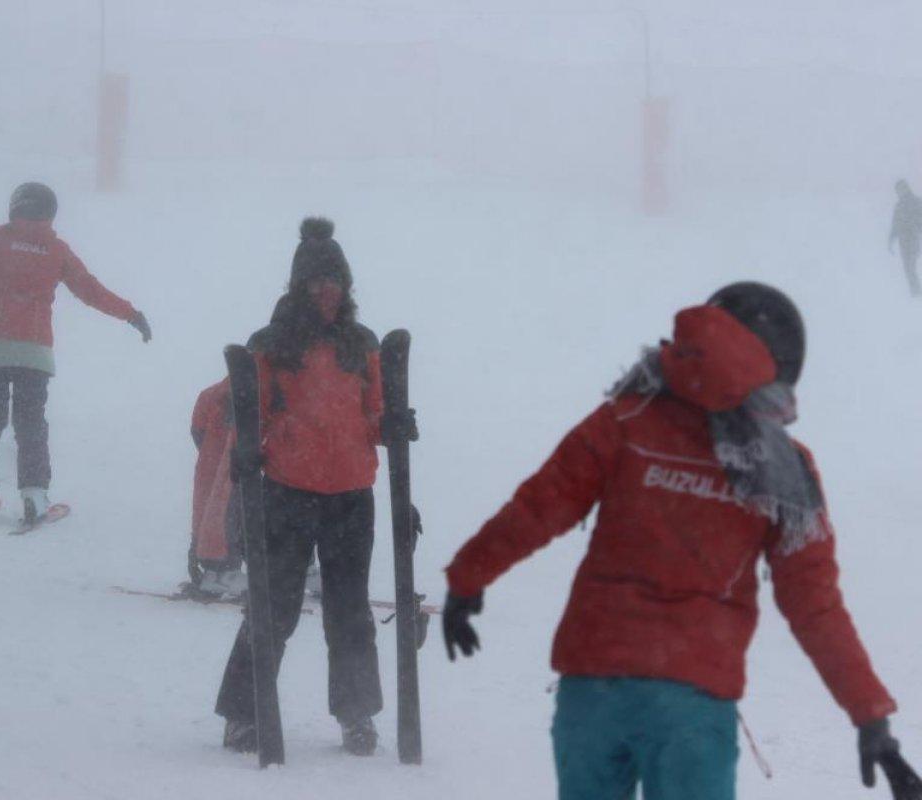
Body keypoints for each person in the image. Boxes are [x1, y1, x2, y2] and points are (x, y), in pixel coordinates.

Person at [443, 283, 922, 800]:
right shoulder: (783, 466)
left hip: (594, 687)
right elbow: (815, 606)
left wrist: (468, 578)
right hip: (693, 702)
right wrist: (870, 717)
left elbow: (536, 510)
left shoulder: (625, 419)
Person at [215, 217, 413, 757]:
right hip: (287, 491)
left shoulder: (361, 343)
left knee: (350, 612)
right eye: (316, 282)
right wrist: (248, 454)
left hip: (351, 495)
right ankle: (243, 712)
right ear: (298, 286)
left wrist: (392, 425)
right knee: (272, 607)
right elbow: (248, 414)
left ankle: (357, 716)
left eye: (336, 282)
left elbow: (371, 416)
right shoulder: (272, 344)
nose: (328, 291)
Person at [0, 182, 151, 523]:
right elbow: (90, 290)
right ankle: (34, 496)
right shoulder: (56, 250)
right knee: (30, 424)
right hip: (34, 350)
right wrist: (131, 314)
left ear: (15, 206)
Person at [188, 377, 245, 598]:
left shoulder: (209, 394)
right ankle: (226, 572)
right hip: (236, 466)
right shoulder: (260, 394)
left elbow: (197, 430)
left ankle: (212, 570)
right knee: (233, 514)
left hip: (211, 464)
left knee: (210, 513)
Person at [889, 179, 922, 296]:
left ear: (906, 188)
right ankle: (915, 292)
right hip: (903, 242)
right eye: (898, 190)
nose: (899, 192)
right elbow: (895, 225)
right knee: (907, 268)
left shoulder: (916, 202)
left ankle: (917, 293)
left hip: (913, 239)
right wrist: (890, 240)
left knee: (910, 267)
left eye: (901, 189)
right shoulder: (899, 206)